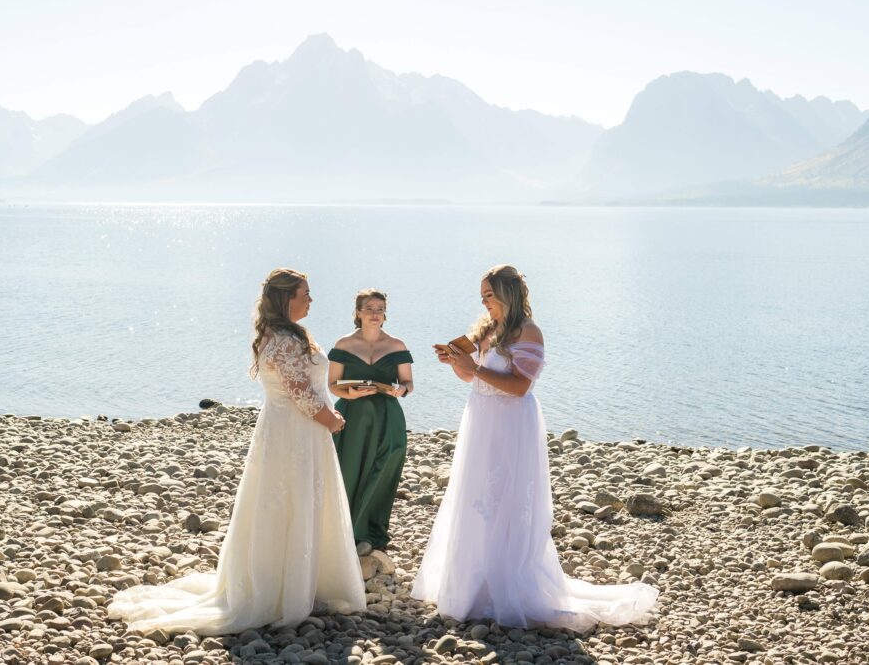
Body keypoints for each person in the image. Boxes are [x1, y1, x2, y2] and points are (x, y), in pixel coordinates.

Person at [107, 268, 366, 635]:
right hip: (296, 433)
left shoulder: (282, 334)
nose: (311, 299)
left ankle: (302, 581)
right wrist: (332, 419)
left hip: (288, 431)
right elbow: (300, 393)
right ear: (286, 298)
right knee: (291, 500)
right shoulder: (286, 340)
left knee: (294, 501)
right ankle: (281, 590)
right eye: (305, 293)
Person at [411, 265, 658, 631]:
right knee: (474, 496)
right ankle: (472, 584)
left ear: (508, 293)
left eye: (489, 295)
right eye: (482, 295)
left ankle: (507, 582)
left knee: (506, 498)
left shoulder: (528, 332)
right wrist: (457, 363)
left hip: (510, 425)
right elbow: (471, 375)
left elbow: (519, 387)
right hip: (480, 420)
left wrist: (474, 369)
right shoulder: (487, 330)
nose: (484, 301)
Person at [328, 289, 414, 554]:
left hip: (387, 417)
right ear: (358, 312)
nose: (375, 313)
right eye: (369, 308)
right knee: (348, 469)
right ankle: (342, 530)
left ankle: (370, 532)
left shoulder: (397, 345)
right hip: (351, 416)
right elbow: (332, 385)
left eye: (380, 308)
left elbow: (408, 383)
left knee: (383, 468)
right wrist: (349, 393)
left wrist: (402, 390)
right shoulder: (343, 344)